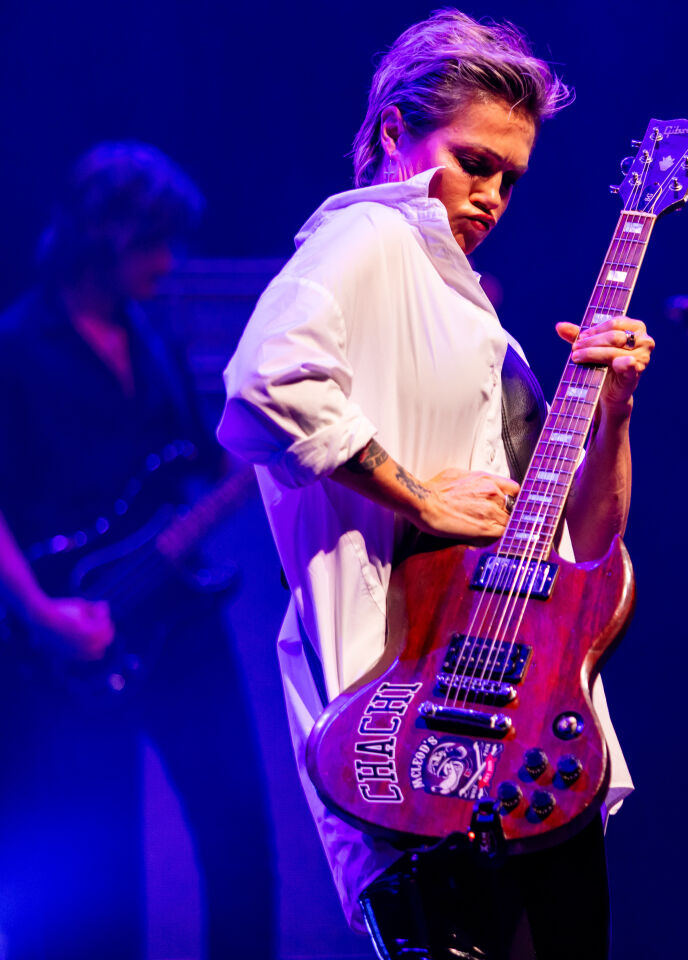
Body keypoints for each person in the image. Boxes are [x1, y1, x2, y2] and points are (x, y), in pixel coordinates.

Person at [216, 11, 655, 958]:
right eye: (472, 162)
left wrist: (614, 408)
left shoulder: (477, 323)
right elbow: (265, 382)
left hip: (530, 734)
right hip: (411, 726)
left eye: (510, 178)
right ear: (393, 133)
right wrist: (419, 496)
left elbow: (587, 546)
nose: (491, 195)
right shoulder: (369, 236)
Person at [0, 143, 277, 960]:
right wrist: (42, 615)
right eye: (154, 243)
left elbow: (197, 461)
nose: (168, 261)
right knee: (98, 876)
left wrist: (279, 440)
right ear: (104, 236)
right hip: (70, 635)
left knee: (239, 836)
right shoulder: (16, 347)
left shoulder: (153, 334)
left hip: (179, 620)